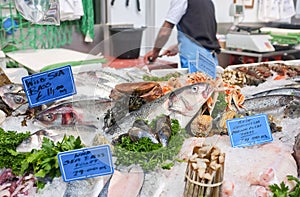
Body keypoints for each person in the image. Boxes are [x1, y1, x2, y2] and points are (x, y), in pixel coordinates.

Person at [144, 0, 221, 79]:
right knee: (212, 88)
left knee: (196, 88)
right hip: (211, 59)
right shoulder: (208, 2)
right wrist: (178, 46)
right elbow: (200, 33)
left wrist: (155, 52)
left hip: (196, 61)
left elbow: (164, 32)